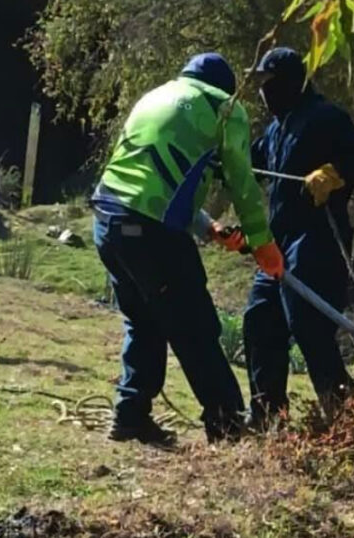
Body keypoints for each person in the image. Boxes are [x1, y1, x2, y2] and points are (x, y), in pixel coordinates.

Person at [91, 53, 284, 444]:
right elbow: (242, 183)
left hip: (108, 220)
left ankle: (130, 415)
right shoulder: (225, 107)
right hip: (151, 231)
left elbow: (157, 178)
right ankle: (228, 426)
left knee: (143, 320)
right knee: (195, 324)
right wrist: (264, 245)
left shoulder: (156, 96)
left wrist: (210, 228)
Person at [243, 47, 354, 425]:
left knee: (308, 323)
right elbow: (246, 164)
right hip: (279, 242)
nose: (263, 92)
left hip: (317, 239)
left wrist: (334, 173)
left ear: (290, 83)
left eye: (268, 83)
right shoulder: (275, 130)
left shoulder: (325, 116)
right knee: (260, 319)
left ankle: (348, 422)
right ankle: (268, 417)